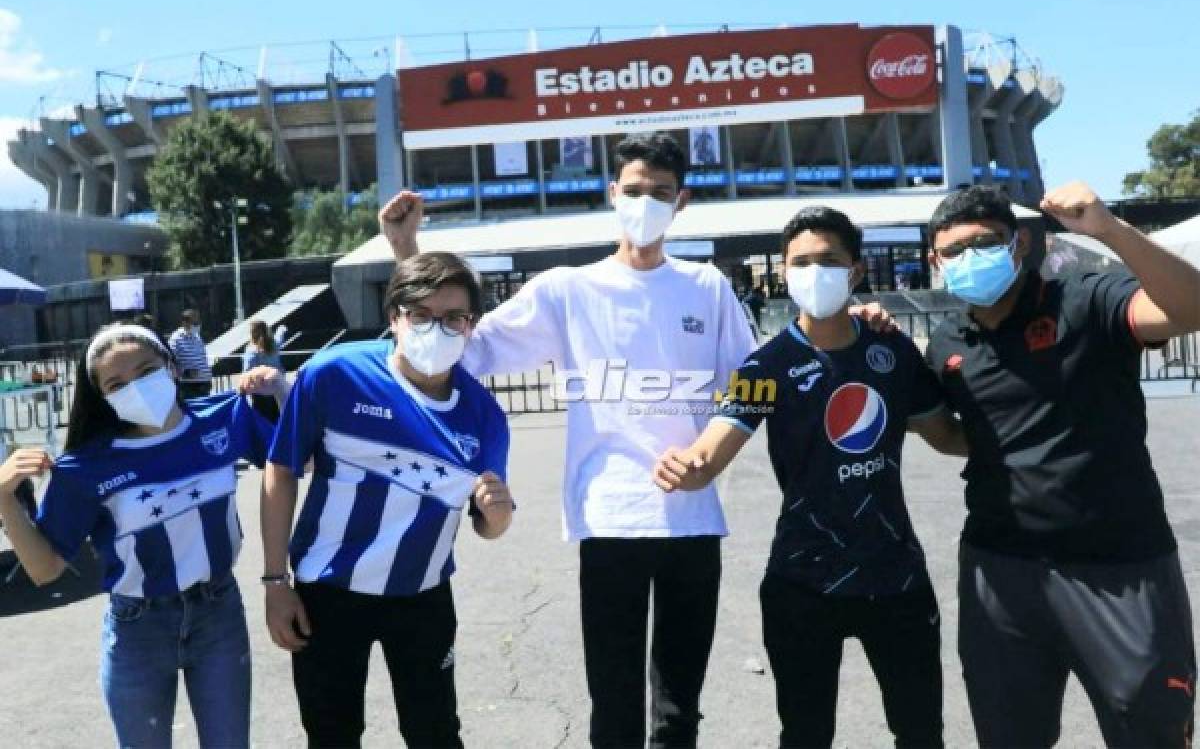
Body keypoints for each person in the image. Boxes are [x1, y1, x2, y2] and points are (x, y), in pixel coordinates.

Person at [377, 133, 892, 748]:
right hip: (610, 524)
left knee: (678, 712)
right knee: (615, 708)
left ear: (682, 202)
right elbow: (462, 348)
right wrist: (407, 250)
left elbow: (757, 383)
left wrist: (844, 326)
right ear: (611, 193)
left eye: (661, 192)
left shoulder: (706, 287)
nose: (646, 202)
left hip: (693, 525)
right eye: (635, 190)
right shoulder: (566, 289)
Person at [654, 206, 966, 748]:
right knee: (804, 735)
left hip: (895, 578)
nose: (814, 272)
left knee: (920, 733)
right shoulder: (764, 367)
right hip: (803, 582)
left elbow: (947, 437)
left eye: (829, 260)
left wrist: (1025, 430)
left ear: (856, 272)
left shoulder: (889, 349)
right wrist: (687, 466)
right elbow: (713, 450)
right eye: (801, 262)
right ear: (783, 271)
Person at [924, 183, 1200, 748]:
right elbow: (960, 436)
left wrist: (1111, 231)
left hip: (1119, 567)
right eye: (954, 251)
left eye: (986, 242)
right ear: (935, 260)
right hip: (999, 570)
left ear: (1019, 244)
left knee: (1151, 733)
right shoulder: (948, 340)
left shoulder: (1083, 299)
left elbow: (1189, 309)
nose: (969, 258)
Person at [260, 252, 515, 749]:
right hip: (327, 594)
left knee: (436, 734)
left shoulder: (484, 415)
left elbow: (488, 522)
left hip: (422, 598)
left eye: (453, 318)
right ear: (395, 316)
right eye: (421, 315)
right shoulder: (334, 375)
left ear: (470, 326)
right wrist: (275, 582)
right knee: (331, 736)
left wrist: (499, 515)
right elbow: (282, 468)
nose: (436, 329)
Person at [0, 322, 286, 748]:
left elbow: (298, 460)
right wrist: (3, 498)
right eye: (116, 383)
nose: (135, 386)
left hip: (218, 613)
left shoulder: (225, 416)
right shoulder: (85, 467)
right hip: (138, 628)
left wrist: (279, 392)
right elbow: (44, 570)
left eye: (147, 370)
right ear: (101, 397)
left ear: (171, 366)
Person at [244, 320, 285, 421]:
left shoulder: (251, 351)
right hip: (277, 389)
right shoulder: (274, 345)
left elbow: (247, 372)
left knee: (262, 422)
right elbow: (279, 339)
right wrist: (281, 330)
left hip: (260, 393)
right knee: (277, 419)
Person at [168, 309, 213, 399]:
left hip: (204, 383)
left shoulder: (197, 337)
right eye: (195, 323)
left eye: (199, 322)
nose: (198, 326)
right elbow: (170, 361)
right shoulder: (176, 339)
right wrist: (185, 373)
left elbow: (203, 358)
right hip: (189, 385)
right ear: (185, 323)